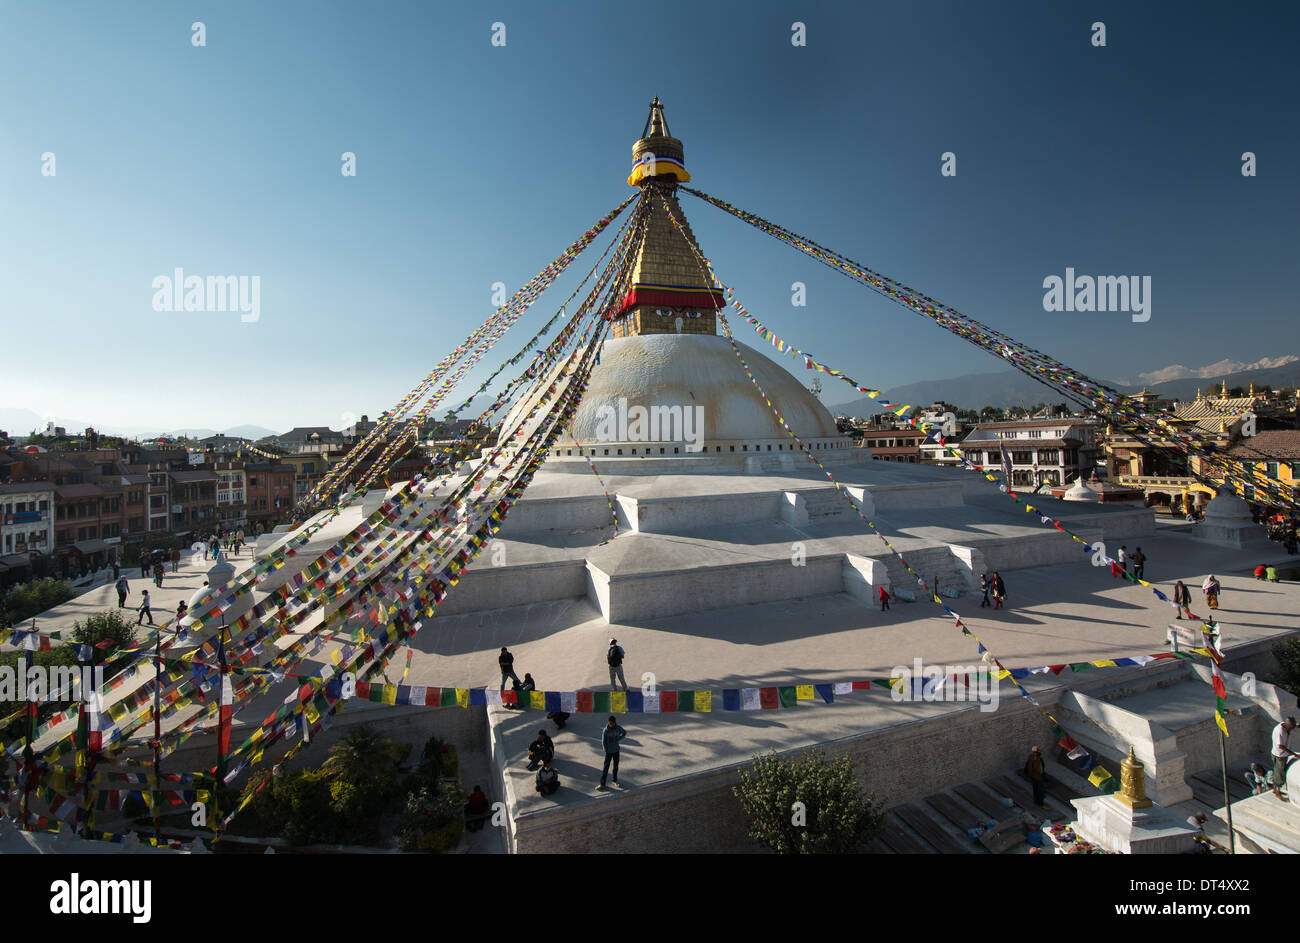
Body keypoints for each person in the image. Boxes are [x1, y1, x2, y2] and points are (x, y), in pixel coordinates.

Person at [1272, 717, 1297, 800]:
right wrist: (1293, 754)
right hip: (1279, 755)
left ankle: (1275, 790)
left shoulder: (1286, 726)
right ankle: (1277, 792)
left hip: (1283, 755)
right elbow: (1280, 746)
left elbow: (1294, 725)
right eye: (1291, 727)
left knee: (1278, 771)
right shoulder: (1280, 731)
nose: (1292, 729)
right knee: (1279, 773)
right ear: (1287, 725)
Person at [598, 715, 626, 789]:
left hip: (616, 750)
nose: (611, 725)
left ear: (614, 722)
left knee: (615, 766)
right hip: (609, 751)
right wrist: (605, 749)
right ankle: (602, 783)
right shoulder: (606, 730)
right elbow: (603, 741)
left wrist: (618, 738)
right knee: (606, 767)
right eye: (610, 723)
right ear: (608, 722)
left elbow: (624, 732)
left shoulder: (618, 728)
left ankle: (615, 780)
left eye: (612, 723)